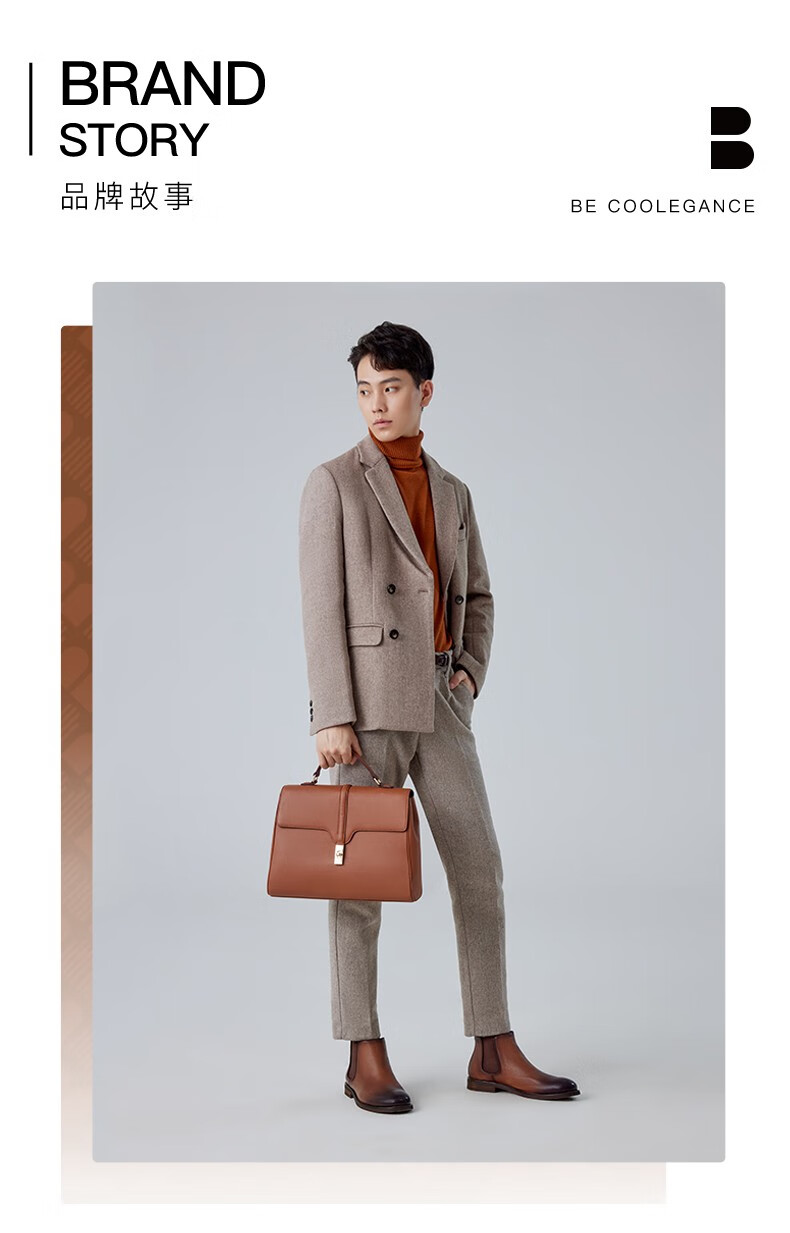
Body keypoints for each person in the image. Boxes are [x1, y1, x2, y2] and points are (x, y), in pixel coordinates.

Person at [298, 320, 579, 1114]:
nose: (376, 404)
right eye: (364, 389)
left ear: (425, 392)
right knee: (358, 883)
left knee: (479, 867)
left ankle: (492, 1046)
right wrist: (331, 713)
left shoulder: (453, 491)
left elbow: (480, 594)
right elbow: (319, 607)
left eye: (390, 388)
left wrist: (469, 673)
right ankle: (363, 1050)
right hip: (366, 708)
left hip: (439, 699)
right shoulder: (333, 482)